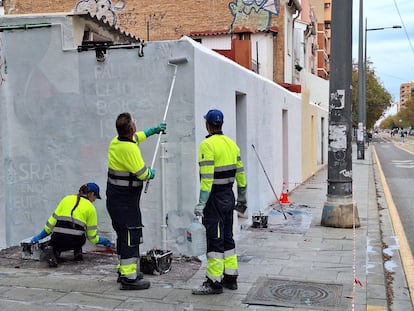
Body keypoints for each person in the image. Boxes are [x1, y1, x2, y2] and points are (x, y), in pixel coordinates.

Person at [106, 112, 166, 290]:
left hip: (115, 199)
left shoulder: (116, 142)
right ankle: (129, 278)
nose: (136, 125)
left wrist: (152, 131)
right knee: (130, 237)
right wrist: (150, 173)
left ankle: (123, 271)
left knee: (122, 237)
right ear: (132, 127)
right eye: (135, 123)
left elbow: (136, 138)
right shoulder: (130, 149)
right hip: (126, 201)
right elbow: (142, 173)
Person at [192, 109, 247, 295]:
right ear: (221, 124)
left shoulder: (207, 145)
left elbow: (207, 178)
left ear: (207, 124)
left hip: (214, 200)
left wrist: (201, 203)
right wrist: (242, 199)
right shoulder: (232, 145)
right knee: (227, 237)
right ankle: (231, 278)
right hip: (228, 196)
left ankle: (214, 282)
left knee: (214, 240)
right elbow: (241, 175)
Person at [31, 182, 113, 268]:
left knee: (56, 240)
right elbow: (92, 238)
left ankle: (54, 251)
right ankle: (77, 252)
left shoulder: (66, 199)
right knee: (82, 236)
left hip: (56, 240)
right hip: (74, 242)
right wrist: (105, 241)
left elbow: (50, 226)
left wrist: (38, 237)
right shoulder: (91, 208)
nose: (95, 200)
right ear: (92, 194)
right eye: (95, 197)